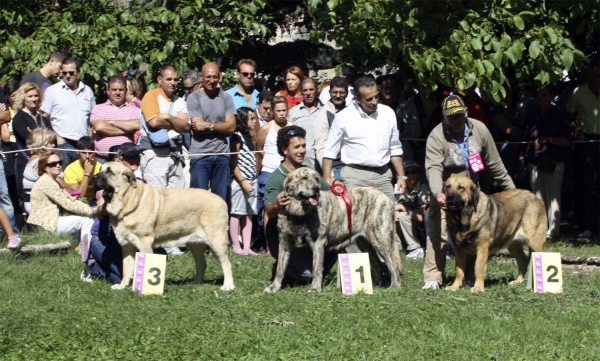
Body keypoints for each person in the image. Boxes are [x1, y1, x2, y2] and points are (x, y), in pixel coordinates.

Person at [422, 94, 515, 290]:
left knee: (474, 233)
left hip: (471, 192)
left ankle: (471, 276)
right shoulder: (436, 136)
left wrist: (512, 191)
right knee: (438, 232)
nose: (455, 120)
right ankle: (433, 278)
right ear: (443, 117)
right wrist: (439, 194)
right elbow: (433, 169)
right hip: (445, 190)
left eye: (458, 115)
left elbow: (494, 163)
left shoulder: (479, 129)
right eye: (450, 116)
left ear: (466, 112)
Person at [263, 125, 334, 282]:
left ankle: (315, 271)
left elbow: (328, 190)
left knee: (338, 242)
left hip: (308, 234)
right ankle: (284, 268)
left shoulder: (309, 172)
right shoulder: (277, 178)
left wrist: (337, 189)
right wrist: (277, 204)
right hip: (285, 239)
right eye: (296, 147)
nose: (302, 150)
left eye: (303, 146)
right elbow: (269, 211)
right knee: (305, 275)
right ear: (284, 150)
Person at [322, 76, 407, 202]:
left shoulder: (388, 113)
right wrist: (327, 178)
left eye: (376, 96)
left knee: (390, 216)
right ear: (357, 99)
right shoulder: (343, 117)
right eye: (369, 99)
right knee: (355, 218)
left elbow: (395, 147)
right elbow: (330, 151)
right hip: (354, 176)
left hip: (382, 176)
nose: (374, 101)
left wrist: (401, 176)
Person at [27, 150, 99, 280]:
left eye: (60, 162)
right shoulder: (46, 182)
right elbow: (67, 204)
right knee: (87, 220)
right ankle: (87, 259)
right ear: (45, 167)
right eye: (53, 164)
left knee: (84, 218)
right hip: (47, 225)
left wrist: (90, 208)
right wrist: (92, 211)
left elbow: (70, 199)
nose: (58, 166)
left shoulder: (53, 180)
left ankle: (82, 251)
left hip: (50, 222)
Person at [521, 85, 571, 238]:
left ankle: (554, 231)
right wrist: (522, 157)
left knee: (553, 196)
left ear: (550, 97)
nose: (540, 98)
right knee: (537, 198)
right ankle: (541, 229)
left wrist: (547, 140)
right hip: (535, 161)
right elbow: (524, 139)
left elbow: (567, 141)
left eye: (544, 95)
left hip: (553, 162)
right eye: (539, 95)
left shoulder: (558, 116)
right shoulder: (532, 116)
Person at [187, 62, 236, 202]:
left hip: (222, 154)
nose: (212, 81)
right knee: (198, 201)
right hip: (200, 155)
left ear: (219, 77)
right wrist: (221, 126)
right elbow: (198, 127)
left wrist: (209, 126)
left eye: (215, 77)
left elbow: (232, 127)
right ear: (201, 77)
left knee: (220, 201)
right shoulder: (194, 97)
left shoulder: (226, 98)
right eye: (208, 77)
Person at [139, 64, 189, 188]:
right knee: (156, 200)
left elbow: (187, 127)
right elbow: (153, 122)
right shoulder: (151, 96)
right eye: (169, 79)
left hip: (175, 154)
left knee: (176, 201)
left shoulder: (180, 101)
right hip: (154, 155)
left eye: (176, 80)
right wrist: (177, 122)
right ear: (159, 80)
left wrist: (167, 116)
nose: (173, 82)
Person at [40, 57, 96, 167]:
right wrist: (57, 138)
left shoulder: (87, 91)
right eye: (64, 73)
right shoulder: (52, 91)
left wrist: (90, 138)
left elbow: (92, 117)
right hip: (63, 144)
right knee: (63, 179)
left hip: (83, 145)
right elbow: (43, 117)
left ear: (78, 72)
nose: (67, 75)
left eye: (71, 72)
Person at [255, 96, 295, 246]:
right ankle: (269, 244)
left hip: (288, 172)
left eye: (284, 110)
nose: (281, 114)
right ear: (272, 111)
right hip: (268, 171)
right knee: (269, 208)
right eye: (278, 111)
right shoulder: (266, 128)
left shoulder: (292, 127)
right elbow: (259, 147)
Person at [566, 63, 600, 239]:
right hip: (587, 140)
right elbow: (569, 115)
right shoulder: (579, 92)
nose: (598, 79)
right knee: (589, 184)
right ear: (590, 76)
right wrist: (576, 129)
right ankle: (589, 226)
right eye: (596, 75)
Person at [90, 74, 140, 163]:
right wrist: (128, 129)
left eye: (121, 90)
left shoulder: (135, 110)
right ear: (108, 91)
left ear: (126, 91)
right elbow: (99, 127)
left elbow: (138, 125)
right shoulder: (98, 108)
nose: (117, 93)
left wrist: (111, 122)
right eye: (114, 90)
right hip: (101, 160)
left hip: (126, 161)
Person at [229, 107, 258, 255]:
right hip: (240, 182)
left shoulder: (250, 137)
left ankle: (247, 246)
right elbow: (233, 164)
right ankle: (236, 245)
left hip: (253, 180)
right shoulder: (236, 137)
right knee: (236, 212)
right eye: (251, 118)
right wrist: (243, 182)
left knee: (249, 213)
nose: (254, 121)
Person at [314, 76, 349, 179]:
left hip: (350, 168)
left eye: (341, 93)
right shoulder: (324, 113)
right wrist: (329, 175)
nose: (338, 96)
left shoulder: (350, 112)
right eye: (334, 92)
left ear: (347, 93)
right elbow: (320, 147)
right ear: (329, 93)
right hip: (335, 169)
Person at [395, 159, 430, 259]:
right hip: (409, 225)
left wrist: (402, 208)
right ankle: (398, 248)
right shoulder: (400, 189)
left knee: (402, 215)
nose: (411, 176)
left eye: (414, 172)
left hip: (422, 228)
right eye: (407, 173)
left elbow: (422, 218)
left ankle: (415, 248)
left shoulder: (423, 188)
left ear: (418, 174)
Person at [22, 129, 60, 214]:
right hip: (39, 207)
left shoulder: (32, 159)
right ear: (41, 145)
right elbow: (61, 183)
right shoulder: (41, 162)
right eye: (50, 143)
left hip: (33, 204)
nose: (54, 145)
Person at [288, 78, 322, 170]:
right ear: (301, 92)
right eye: (305, 90)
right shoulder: (293, 112)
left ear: (316, 91)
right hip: (300, 164)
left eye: (311, 89)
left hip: (321, 163)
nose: (308, 93)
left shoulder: (325, 110)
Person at [63, 136, 102, 205]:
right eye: (84, 153)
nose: (87, 156)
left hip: (96, 201)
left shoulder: (99, 166)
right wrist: (86, 173)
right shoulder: (71, 169)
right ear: (78, 151)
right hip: (79, 203)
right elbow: (79, 197)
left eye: (90, 153)